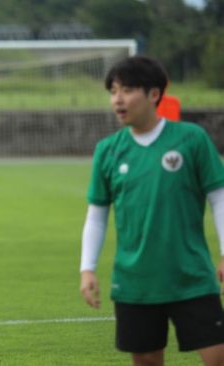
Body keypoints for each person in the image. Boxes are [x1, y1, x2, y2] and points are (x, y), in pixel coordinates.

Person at [79, 55, 224, 366]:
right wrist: (87, 268)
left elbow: (219, 197)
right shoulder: (108, 150)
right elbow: (97, 214)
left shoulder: (191, 139)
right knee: (145, 361)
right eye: (113, 91)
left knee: (217, 356)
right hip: (135, 282)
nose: (118, 99)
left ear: (154, 94)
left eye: (127, 90)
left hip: (191, 277)